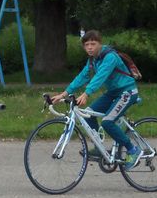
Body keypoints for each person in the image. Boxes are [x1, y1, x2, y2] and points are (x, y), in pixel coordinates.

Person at [49, 30, 142, 167]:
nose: (90, 47)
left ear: (100, 44)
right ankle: (99, 147)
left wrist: (86, 93)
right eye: (87, 45)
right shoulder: (92, 60)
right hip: (113, 93)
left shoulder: (110, 57)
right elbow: (82, 76)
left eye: (93, 44)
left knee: (107, 122)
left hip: (126, 92)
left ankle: (133, 150)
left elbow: (101, 77)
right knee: (87, 114)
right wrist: (64, 94)